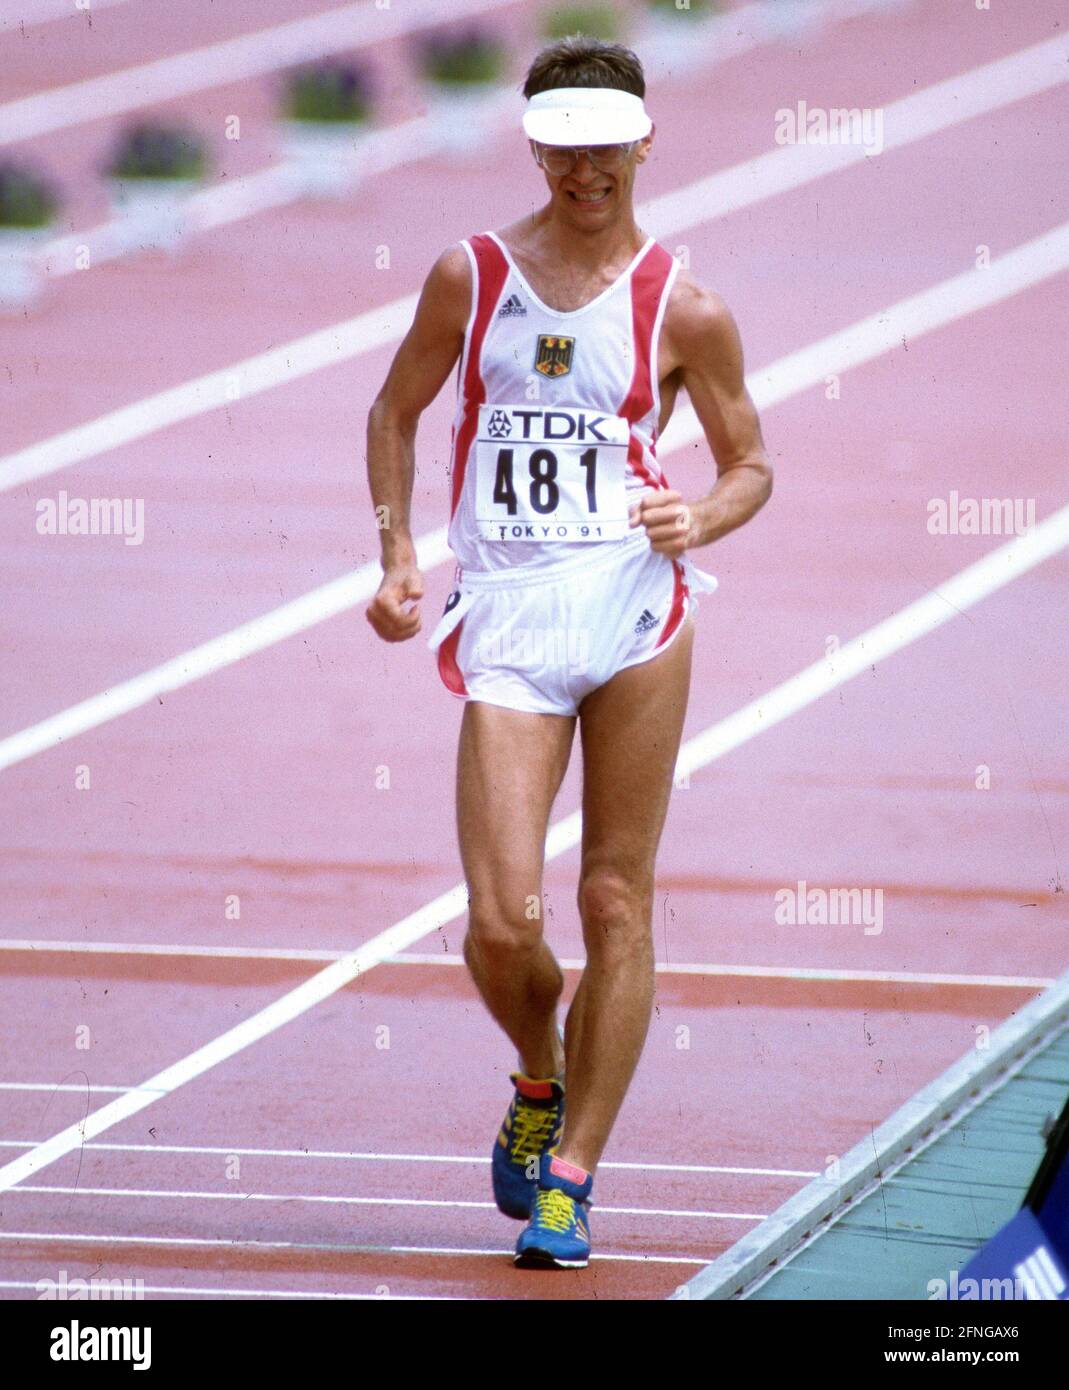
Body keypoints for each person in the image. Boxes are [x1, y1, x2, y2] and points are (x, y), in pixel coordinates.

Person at [366, 36, 772, 1270]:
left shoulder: (683, 307)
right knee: (499, 923)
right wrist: (396, 556)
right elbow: (394, 412)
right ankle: (538, 1079)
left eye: (607, 143)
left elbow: (751, 461)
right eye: (564, 145)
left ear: (645, 140)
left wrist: (694, 515)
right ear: (534, 145)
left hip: (635, 614)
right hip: (509, 618)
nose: (585, 167)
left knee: (612, 898)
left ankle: (573, 1179)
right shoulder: (470, 276)